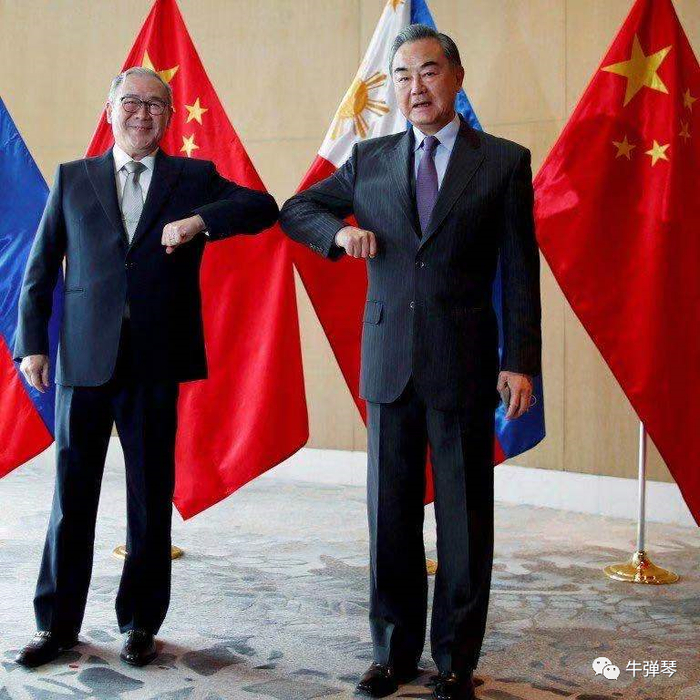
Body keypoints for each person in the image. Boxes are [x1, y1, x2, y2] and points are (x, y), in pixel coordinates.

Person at [279, 24, 541, 700]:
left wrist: (522, 360)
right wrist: (339, 234)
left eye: (427, 71)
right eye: (401, 75)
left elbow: (520, 269)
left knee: (463, 520)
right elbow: (296, 209)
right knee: (389, 516)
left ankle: (455, 661)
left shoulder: (502, 162)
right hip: (389, 361)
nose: (414, 86)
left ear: (456, 78)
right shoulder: (369, 159)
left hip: (464, 362)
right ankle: (390, 654)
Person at [13, 66, 278, 668]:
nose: (142, 113)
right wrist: (32, 345)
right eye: (130, 101)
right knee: (70, 499)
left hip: (155, 361)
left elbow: (261, 207)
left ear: (170, 117)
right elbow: (40, 268)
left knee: (149, 498)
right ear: (109, 110)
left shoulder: (192, 178)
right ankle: (56, 626)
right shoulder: (73, 177)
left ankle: (139, 624)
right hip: (84, 361)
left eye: (156, 104)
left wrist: (200, 221)